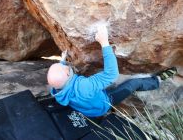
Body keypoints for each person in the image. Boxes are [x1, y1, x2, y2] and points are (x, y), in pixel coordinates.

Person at [47, 25, 177, 117]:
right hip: (105, 103)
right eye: (63, 66)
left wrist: (63, 61)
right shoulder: (84, 86)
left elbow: (61, 76)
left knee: (96, 86)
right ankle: (157, 81)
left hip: (88, 110)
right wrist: (104, 42)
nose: (64, 64)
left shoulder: (57, 92)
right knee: (132, 84)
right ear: (68, 73)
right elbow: (111, 74)